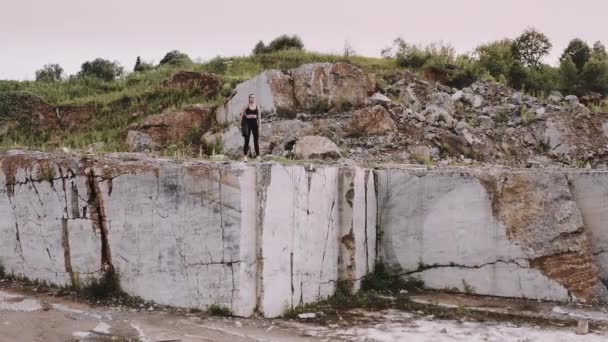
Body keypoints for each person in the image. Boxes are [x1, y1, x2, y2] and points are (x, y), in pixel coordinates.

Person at [241, 94, 261, 161]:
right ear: (249, 98)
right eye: (251, 97)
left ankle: (258, 156)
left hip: (255, 123)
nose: (252, 98)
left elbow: (259, 118)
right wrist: (241, 125)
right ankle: (245, 156)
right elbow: (241, 115)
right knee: (247, 140)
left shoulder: (257, 107)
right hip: (247, 123)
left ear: (255, 98)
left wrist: (260, 127)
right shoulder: (246, 106)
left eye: (253, 97)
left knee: (256, 141)